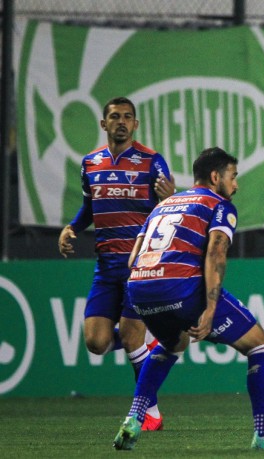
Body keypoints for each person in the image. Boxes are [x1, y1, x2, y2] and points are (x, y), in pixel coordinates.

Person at [113, 147, 264, 451]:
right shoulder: (219, 205)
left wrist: (143, 298)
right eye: (233, 176)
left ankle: (134, 418)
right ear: (216, 177)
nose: (236, 184)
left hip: (139, 287)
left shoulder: (164, 205)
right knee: (261, 346)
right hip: (180, 287)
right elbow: (215, 253)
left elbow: (134, 257)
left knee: (173, 343)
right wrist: (210, 308)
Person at [58, 97, 174, 431]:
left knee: (131, 336)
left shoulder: (152, 162)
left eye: (127, 117)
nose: (121, 121)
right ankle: (147, 344)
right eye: (114, 116)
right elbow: (89, 208)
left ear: (135, 124)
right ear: (103, 123)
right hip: (105, 266)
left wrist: (170, 198)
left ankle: (148, 411)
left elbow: (171, 208)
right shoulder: (90, 163)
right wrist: (72, 228)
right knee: (96, 343)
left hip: (141, 264)